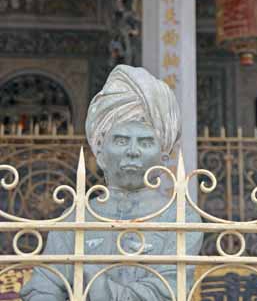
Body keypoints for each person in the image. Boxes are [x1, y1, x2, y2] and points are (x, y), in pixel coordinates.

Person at [20, 65, 202, 301]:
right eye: (121, 140)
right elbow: (43, 287)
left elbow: (163, 293)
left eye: (145, 142)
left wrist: (94, 279)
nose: (133, 151)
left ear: (164, 156)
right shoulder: (75, 218)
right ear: (100, 153)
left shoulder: (182, 220)